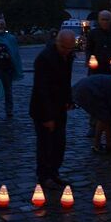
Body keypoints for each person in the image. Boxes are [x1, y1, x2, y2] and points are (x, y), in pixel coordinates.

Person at [30, 30, 75, 189]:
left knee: (59, 143)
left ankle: (54, 173)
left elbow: (66, 80)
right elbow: (41, 89)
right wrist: (47, 117)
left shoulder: (68, 56)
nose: (67, 51)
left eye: (70, 48)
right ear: (58, 42)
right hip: (44, 108)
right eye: (64, 48)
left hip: (59, 106)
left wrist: (68, 99)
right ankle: (44, 175)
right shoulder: (45, 58)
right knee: (45, 144)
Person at [86, 10, 111, 76]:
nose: (105, 22)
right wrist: (89, 60)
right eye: (103, 19)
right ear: (99, 20)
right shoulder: (93, 33)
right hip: (96, 68)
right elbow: (88, 49)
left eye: (107, 20)